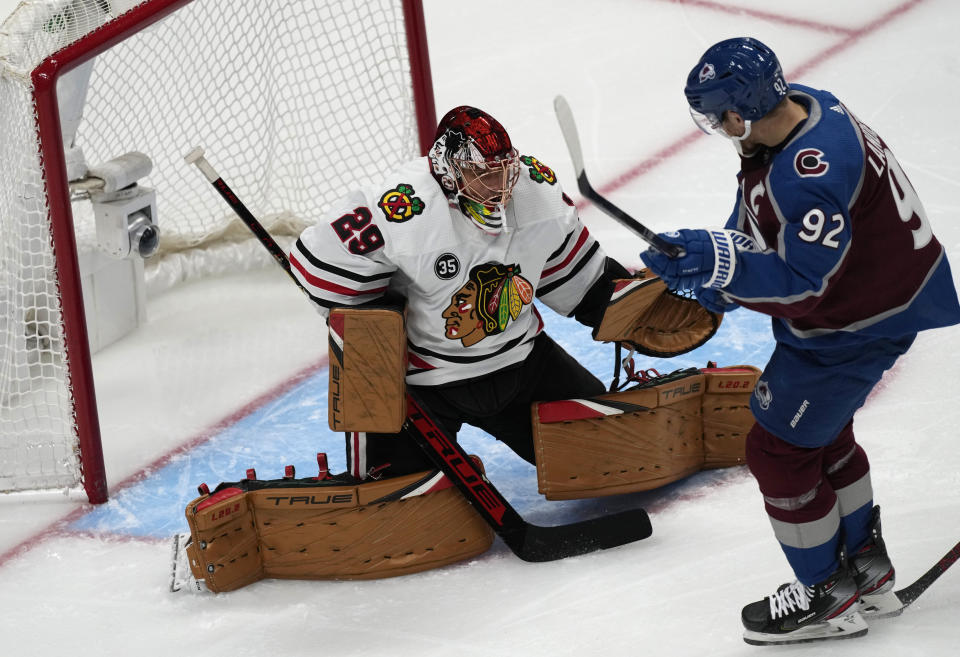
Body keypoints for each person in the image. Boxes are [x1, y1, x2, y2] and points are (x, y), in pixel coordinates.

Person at [641, 37, 960, 645]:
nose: (718, 127)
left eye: (718, 115)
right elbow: (758, 203)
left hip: (856, 327)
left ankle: (825, 596)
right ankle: (866, 569)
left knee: (778, 453)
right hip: (868, 305)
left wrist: (726, 267)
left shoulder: (810, 174)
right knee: (822, 435)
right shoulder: (804, 109)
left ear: (739, 112)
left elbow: (805, 285)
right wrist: (721, 265)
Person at [289, 105, 631, 479]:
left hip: (523, 366)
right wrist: (382, 322)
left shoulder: (536, 190)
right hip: (424, 388)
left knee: (614, 455)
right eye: (481, 175)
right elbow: (318, 265)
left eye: (504, 173)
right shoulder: (400, 208)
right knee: (405, 508)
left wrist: (621, 307)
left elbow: (575, 275)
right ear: (447, 168)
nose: (499, 187)